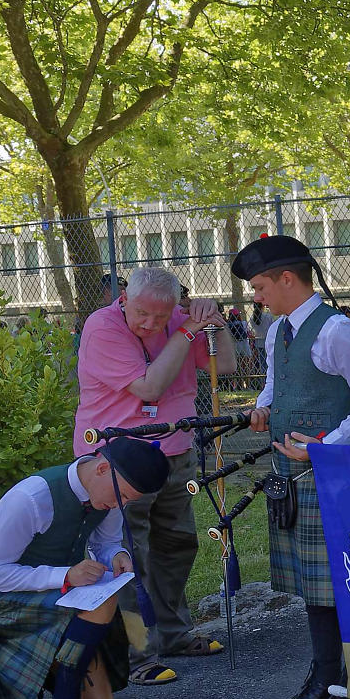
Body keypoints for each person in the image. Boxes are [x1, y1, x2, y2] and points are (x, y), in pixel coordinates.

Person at [235, 234, 350, 699]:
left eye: (260, 286)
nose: (256, 296)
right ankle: (324, 681)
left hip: (334, 477)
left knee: (348, 587)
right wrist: (263, 407)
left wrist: (329, 446)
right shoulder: (276, 330)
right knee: (316, 589)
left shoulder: (337, 331)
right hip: (291, 477)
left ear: (287, 278)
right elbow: (276, 385)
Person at [73, 267, 236, 674]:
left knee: (177, 545)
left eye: (161, 317)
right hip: (120, 459)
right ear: (125, 296)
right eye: (142, 313)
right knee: (128, 553)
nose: (150, 324)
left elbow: (228, 365)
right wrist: (183, 332)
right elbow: (149, 387)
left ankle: (174, 635)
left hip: (175, 450)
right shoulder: (103, 326)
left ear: (176, 306)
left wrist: (215, 323)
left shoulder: (182, 319)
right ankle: (137, 653)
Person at [0, 439, 168, 699]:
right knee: (104, 603)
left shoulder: (110, 493)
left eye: (129, 500)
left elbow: (105, 544)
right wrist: (65, 575)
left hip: (60, 596)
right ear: (103, 468)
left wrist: (117, 556)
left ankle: (56, 678)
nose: (121, 505)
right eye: (123, 496)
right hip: (6, 605)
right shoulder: (31, 498)